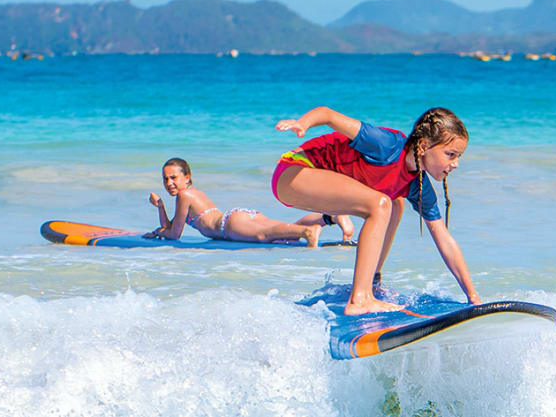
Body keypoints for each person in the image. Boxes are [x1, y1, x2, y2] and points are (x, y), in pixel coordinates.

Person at [274, 106, 482, 315]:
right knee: (381, 203)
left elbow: (444, 239)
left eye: (458, 157)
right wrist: (302, 124)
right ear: (424, 146)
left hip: (316, 188)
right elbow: (328, 115)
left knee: (394, 205)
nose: (455, 164)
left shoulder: (417, 185)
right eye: (451, 154)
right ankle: (360, 299)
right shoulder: (386, 145)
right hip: (295, 172)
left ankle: (371, 281)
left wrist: (473, 297)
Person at [145, 157, 353, 247]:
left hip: (229, 226)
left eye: (174, 178)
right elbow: (171, 226)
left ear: (187, 177)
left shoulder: (184, 195)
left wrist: (157, 233)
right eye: (166, 179)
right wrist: (161, 207)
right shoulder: (191, 195)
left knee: (267, 235)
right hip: (239, 216)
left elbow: (173, 235)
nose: (169, 183)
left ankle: (307, 233)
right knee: (281, 232)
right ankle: (329, 217)